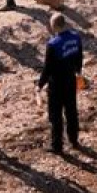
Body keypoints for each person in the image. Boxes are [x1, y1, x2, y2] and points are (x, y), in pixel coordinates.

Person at [37, 13, 84, 155]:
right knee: (71, 111)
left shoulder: (53, 44)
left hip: (56, 84)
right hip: (70, 80)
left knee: (55, 115)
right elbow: (79, 57)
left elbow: (48, 68)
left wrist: (39, 85)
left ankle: (57, 146)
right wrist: (78, 72)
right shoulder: (76, 38)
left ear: (54, 25)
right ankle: (74, 139)